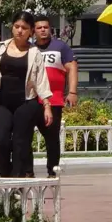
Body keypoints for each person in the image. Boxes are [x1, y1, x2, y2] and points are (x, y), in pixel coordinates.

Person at [0, 11, 54, 178]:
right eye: (17, 26)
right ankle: (7, 176)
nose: (20, 31)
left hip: (26, 103)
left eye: (24, 28)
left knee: (20, 144)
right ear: (12, 27)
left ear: (31, 31)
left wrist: (47, 106)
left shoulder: (34, 53)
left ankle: (17, 182)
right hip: (2, 102)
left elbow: (41, 81)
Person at [33, 15, 78, 178]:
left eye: (45, 27)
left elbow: (72, 67)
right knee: (23, 137)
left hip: (54, 100)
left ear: (50, 29)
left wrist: (72, 92)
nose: (43, 30)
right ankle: (27, 172)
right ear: (34, 31)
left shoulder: (61, 47)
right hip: (31, 100)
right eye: (39, 28)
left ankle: (52, 172)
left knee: (52, 138)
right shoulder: (30, 49)